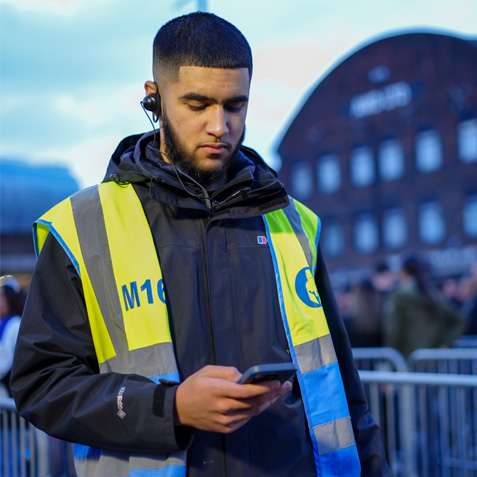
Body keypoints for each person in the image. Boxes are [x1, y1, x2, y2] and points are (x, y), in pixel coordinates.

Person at [10, 12, 389, 477]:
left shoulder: (293, 222)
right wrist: (170, 408)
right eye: (197, 104)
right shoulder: (82, 226)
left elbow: (344, 389)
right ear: (154, 98)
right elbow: (39, 383)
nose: (219, 125)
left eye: (235, 106)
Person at [382, 255, 466, 358]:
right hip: (431, 358)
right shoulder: (431, 294)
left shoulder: (399, 297)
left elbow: (393, 331)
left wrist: (392, 358)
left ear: (403, 271)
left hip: (408, 359)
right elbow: (459, 319)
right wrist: (446, 343)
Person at [0, 275, 25, 398]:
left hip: (10, 390)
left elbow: (4, 364)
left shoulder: (16, 324)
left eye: (1, 296)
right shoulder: (3, 322)